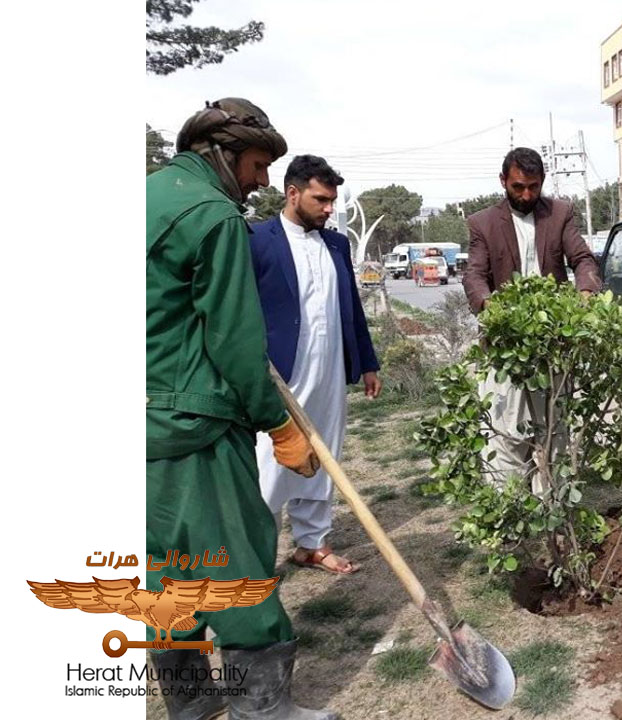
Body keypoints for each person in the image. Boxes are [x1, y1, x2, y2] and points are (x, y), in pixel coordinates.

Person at [146, 98, 335, 719]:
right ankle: (264, 709)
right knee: (235, 559)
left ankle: (193, 703)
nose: (261, 180)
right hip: (193, 424)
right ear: (221, 154)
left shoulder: (146, 198)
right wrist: (278, 423)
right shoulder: (213, 215)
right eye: (256, 165)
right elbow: (232, 338)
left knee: (167, 568)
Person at [249, 154, 381, 576]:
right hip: (280, 373)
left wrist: (368, 363)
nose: (329, 209)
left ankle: (312, 543)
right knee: (270, 463)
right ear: (292, 193)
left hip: (330, 370)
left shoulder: (336, 244)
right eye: (321, 200)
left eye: (332, 201)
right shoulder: (256, 239)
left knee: (325, 457)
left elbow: (352, 308)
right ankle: (256, 559)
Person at [461, 147, 602, 489]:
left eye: (533, 187)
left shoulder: (560, 213)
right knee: (505, 433)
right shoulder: (482, 223)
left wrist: (585, 293)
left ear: (542, 181)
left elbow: (583, 259)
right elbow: (474, 275)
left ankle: (550, 508)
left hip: (553, 344)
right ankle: (509, 507)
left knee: (554, 432)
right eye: (518, 187)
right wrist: (491, 308)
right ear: (503, 181)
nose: (526, 195)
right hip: (504, 347)